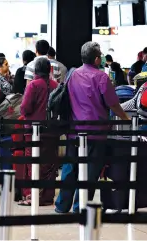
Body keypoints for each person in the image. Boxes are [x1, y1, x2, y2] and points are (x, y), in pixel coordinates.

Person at [55, 41, 129, 214]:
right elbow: (113, 104)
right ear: (97, 59)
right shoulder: (101, 77)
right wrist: (125, 118)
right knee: (89, 172)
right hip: (96, 133)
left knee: (70, 169)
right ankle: (79, 207)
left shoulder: (72, 74)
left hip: (74, 132)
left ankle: (62, 206)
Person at [19, 58, 59, 206]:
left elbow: (25, 108)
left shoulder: (33, 85)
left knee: (33, 162)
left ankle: (33, 196)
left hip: (33, 130)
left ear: (35, 70)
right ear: (49, 70)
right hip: (52, 130)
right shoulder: (55, 85)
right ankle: (47, 196)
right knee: (49, 164)